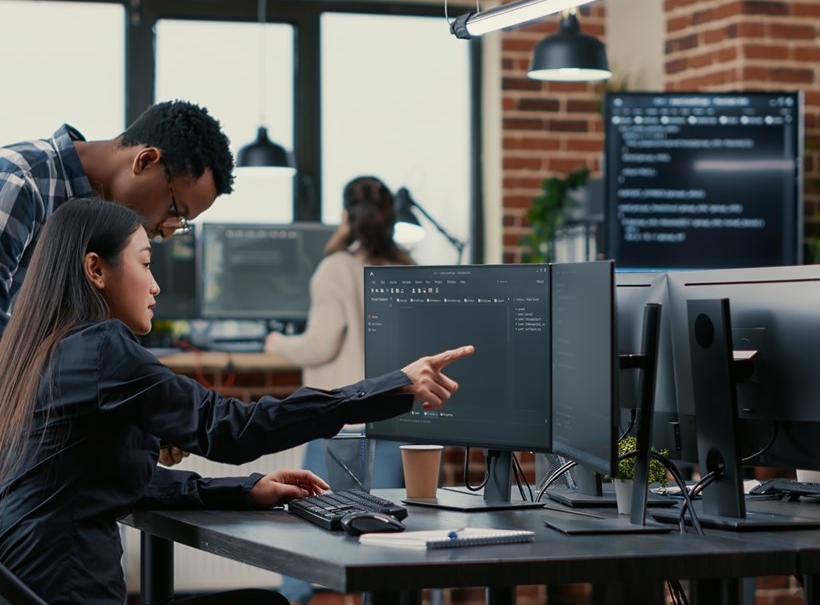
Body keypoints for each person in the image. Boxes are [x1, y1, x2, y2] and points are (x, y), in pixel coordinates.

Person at [0, 198, 474, 605]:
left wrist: (245, 490)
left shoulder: (36, 352)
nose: (156, 284)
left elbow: (106, 480)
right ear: (96, 270)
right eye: (145, 264)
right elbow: (231, 427)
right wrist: (394, 385)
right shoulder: (102, 347)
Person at [263, 175, 413, 605]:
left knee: (305, 517)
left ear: (347, 215)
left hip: (342, 416)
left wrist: (277, 343)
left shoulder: (336, 268)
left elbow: (321, 343)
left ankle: (292, 599)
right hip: (396, 413)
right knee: (388, 531)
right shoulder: (408, 268)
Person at [0, 99, 235, 339]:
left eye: (181, 224)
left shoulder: (101, 229)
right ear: (145, 161)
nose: (167, 233)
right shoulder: (18, 181)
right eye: (174, 210)